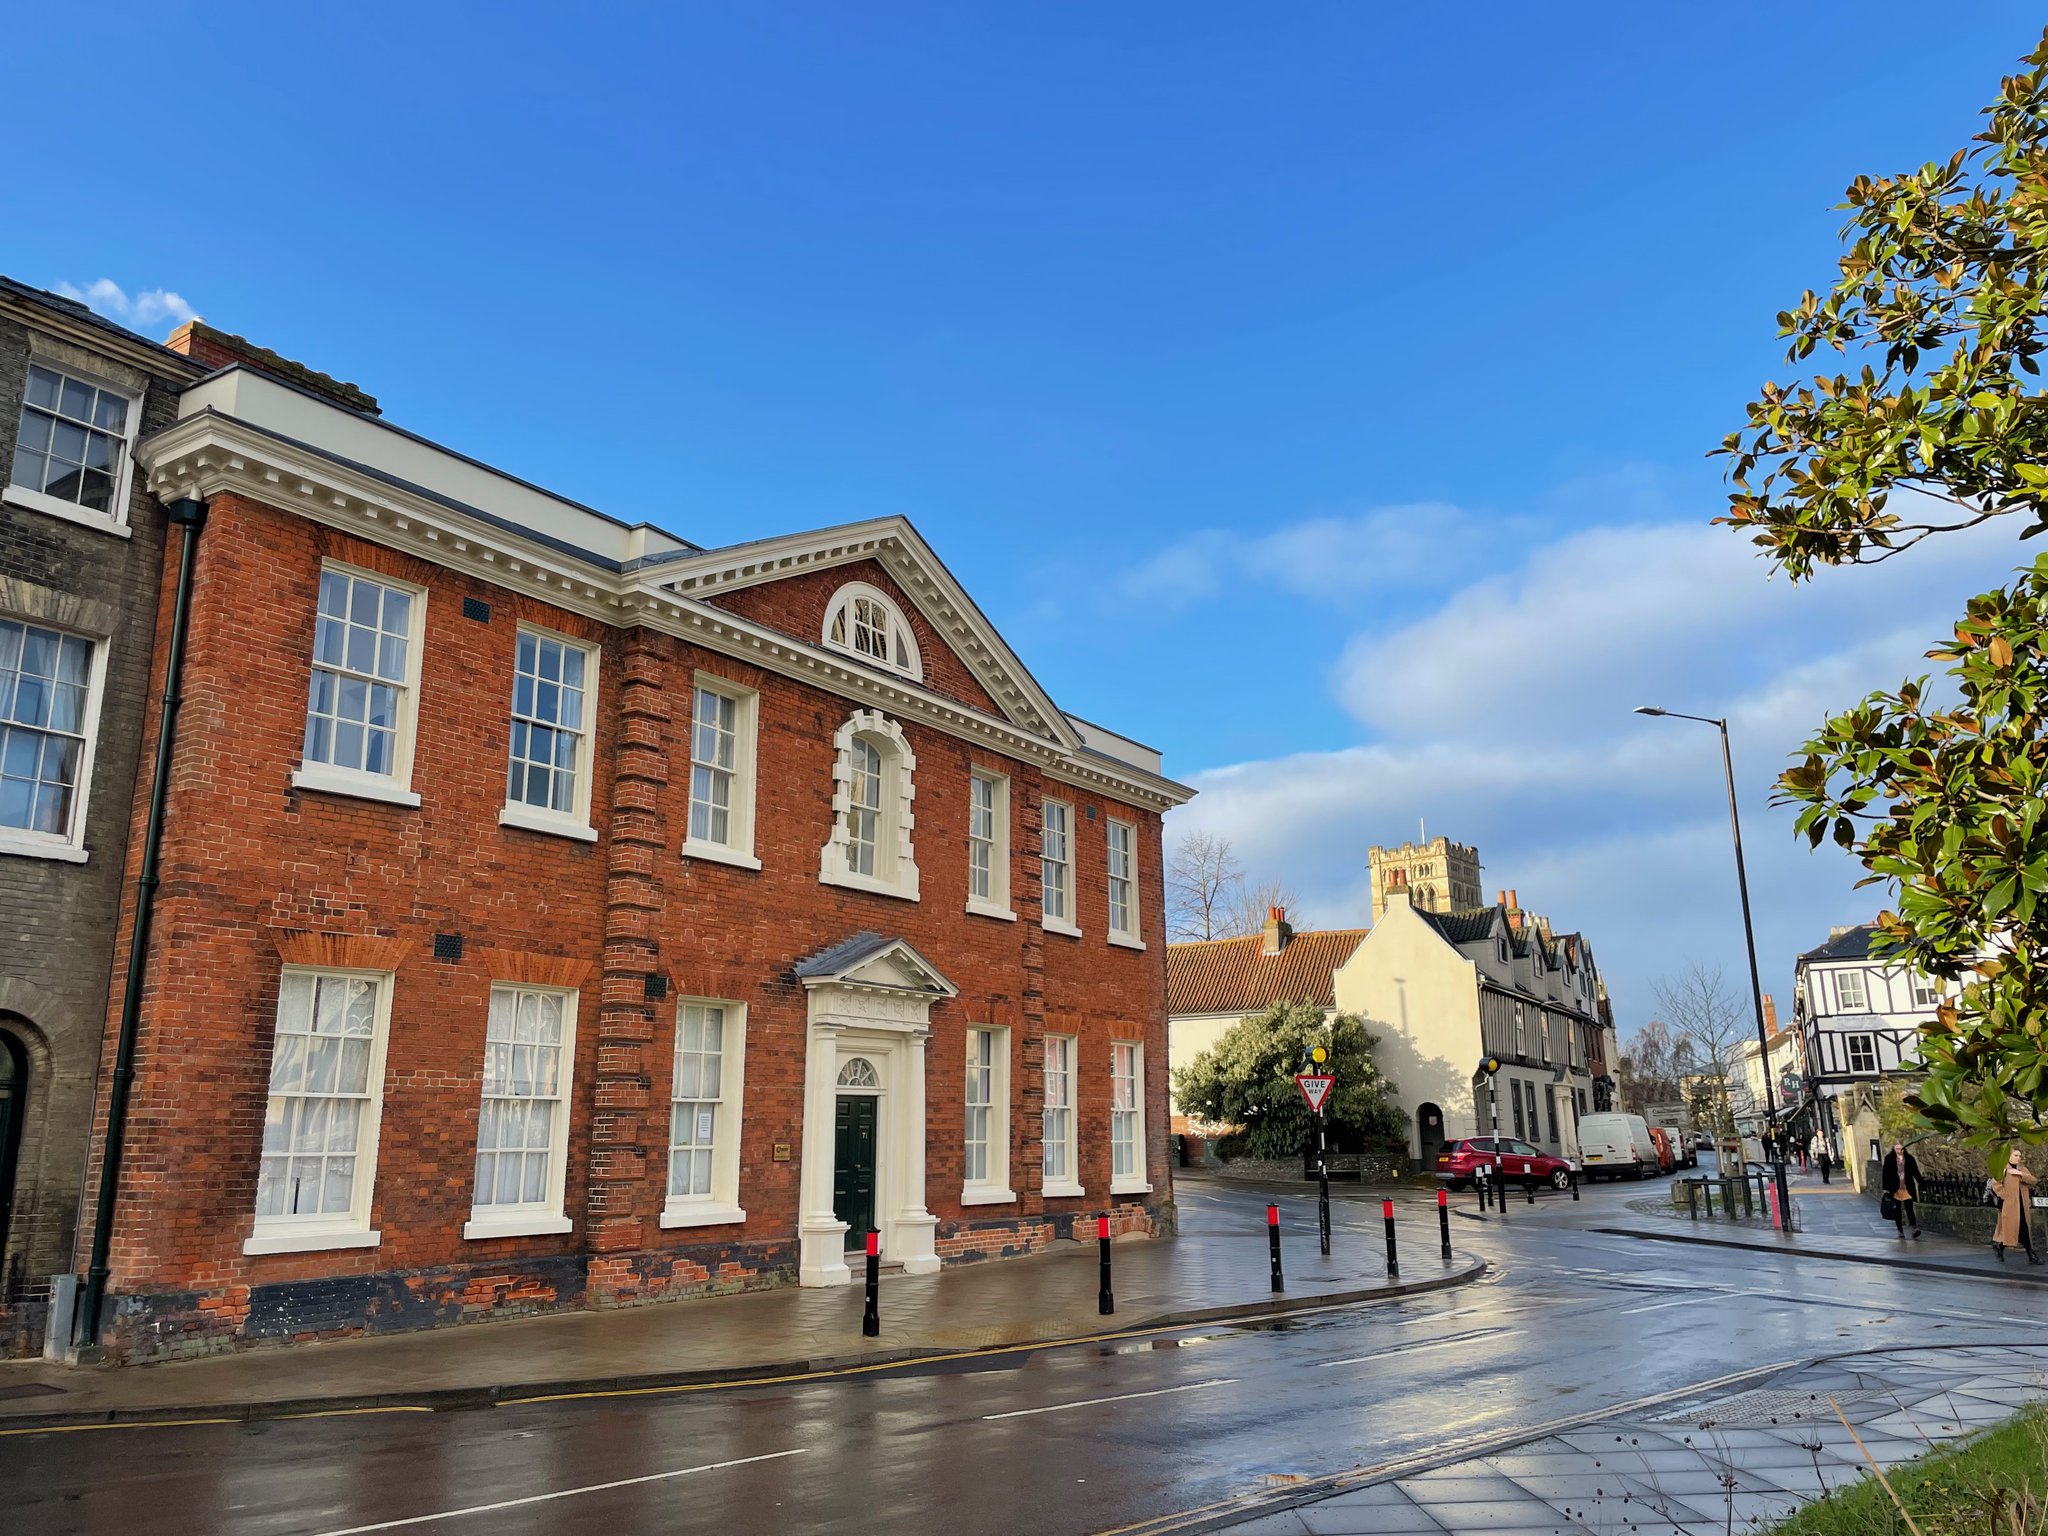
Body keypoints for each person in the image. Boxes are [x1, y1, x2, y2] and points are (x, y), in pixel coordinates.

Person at [1993, 1158, 2041, 1264]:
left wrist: (2019, 1173)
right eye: (2015, 1155)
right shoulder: (2002, 1169)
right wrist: (2006, 1196)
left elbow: (2033, 1180)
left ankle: (2030, 1255)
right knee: (2012, 1229)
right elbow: (1996, 1185)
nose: (2018, 1157)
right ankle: (2001, 1247)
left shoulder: (2022, 1169)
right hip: (2010, 1207)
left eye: (2019, 1155)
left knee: (2023, 1229)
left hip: (2022, 1206)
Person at [1881, 1141, 1922, 1239]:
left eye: (1901, 1149)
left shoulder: (1909, 1159)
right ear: (1894, 1149)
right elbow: (1885, 1174)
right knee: (1897, 1210)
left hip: (1907, 1187)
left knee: (1909, 1208)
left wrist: (1922, 1183)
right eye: (1897, 1149)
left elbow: (1915, 1172)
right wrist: (1885, 1188)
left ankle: (1913, 1228)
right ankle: (1900, 1230)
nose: (1899, 1151)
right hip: (1895, 1189)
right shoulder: (1889, 1159)